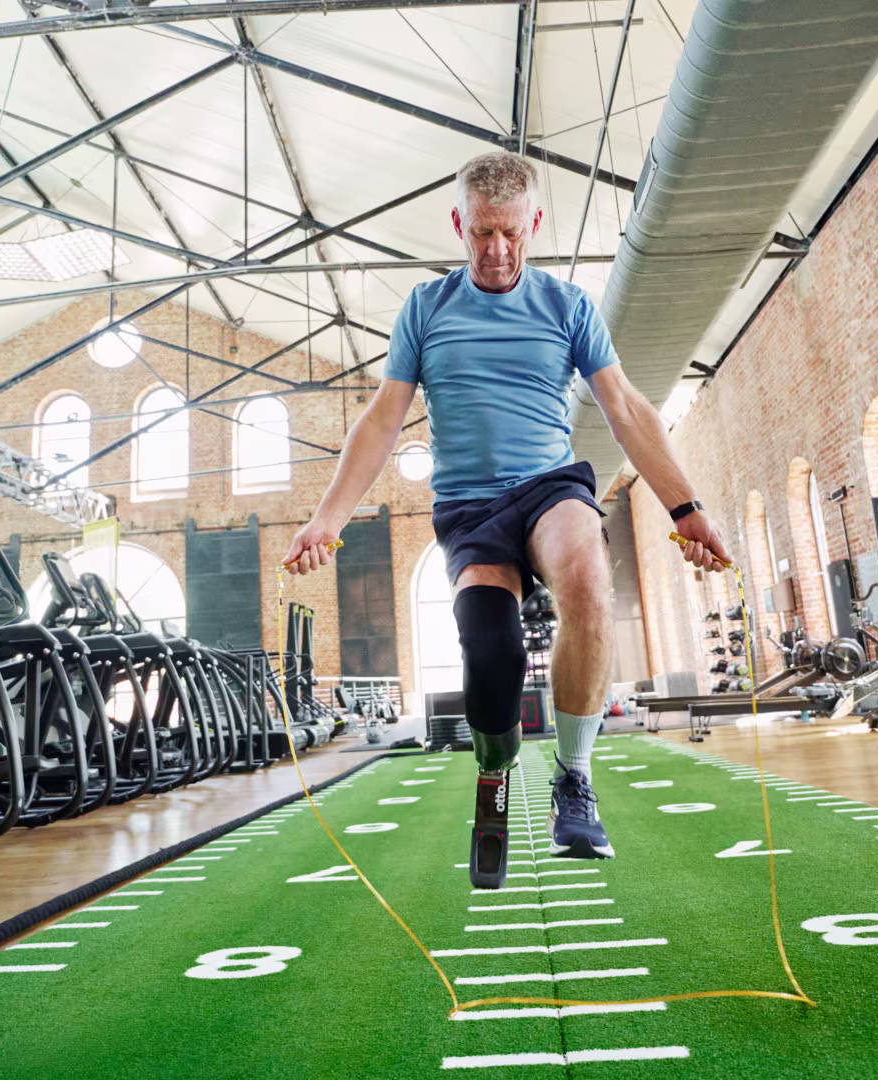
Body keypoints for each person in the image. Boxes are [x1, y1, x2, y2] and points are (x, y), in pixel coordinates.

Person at [284, 151, 730, 888]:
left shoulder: (567, 306)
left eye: (512, 234)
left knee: (586, 583)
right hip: (468, 508)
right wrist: (326, 520)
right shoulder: (425, 309)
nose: (497, 251)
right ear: (460, 224)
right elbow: (380, 422)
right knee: (490, 652)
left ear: (535, 225)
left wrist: (687, 510)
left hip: (549, 488)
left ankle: (575, 780)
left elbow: (626, 409)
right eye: (483, 233)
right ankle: (494, 777)